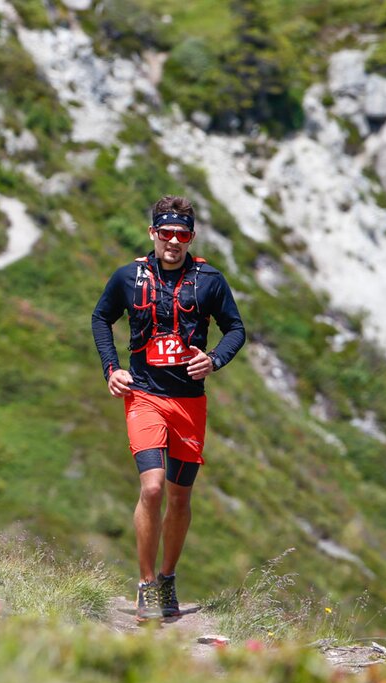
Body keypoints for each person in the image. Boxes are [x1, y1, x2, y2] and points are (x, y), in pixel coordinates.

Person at [90, 195, 245, 621]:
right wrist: (111, 369)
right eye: (165, 233)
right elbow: (101, 318)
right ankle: (144, 584)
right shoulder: (129, 277)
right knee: (153, 487)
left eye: (181, 234)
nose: (172, 241)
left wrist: (213, 360)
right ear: (152, 234)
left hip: (189, 403)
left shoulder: (210, 280)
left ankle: (168, 576)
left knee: (179, 497)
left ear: (191, 237)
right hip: (143, 395)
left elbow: (236, 328)